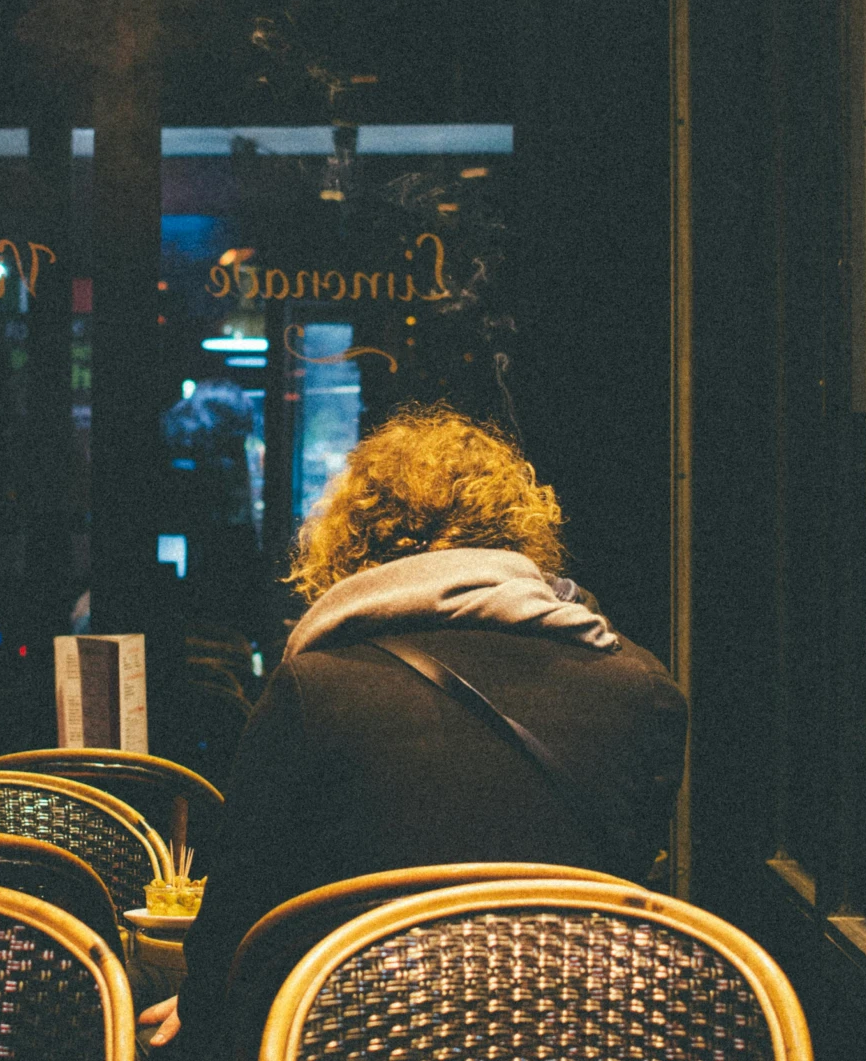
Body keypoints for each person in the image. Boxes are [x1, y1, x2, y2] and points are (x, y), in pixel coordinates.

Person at [141, 404, 687, 1054]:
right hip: (573, 1035)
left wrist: (206, 1007)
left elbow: (243, 907)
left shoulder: (316, 686)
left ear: (352, 537)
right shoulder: (642, 686)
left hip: (355, 1035)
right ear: (518, 532)